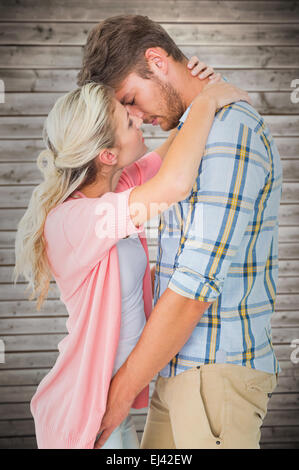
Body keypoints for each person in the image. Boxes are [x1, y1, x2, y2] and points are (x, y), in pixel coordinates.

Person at [13, 56, 248, 448]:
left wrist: (202, 91)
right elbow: (174, 184)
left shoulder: (117, 189)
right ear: (107, 156)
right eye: (128, 120)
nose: (138, 118)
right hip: (81, 411)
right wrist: (209, 102)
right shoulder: (72, 221)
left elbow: (175, 151)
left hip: (111, 402)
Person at [77, 15, 283, 449]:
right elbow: (158, 179)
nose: (133, 117)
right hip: (176, 370)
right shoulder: (196, 130)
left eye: (130, 99)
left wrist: (116, 397)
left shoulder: (230, 131)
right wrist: (203, 100)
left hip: (214, 377)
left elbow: (194, 287)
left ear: (157, 60)